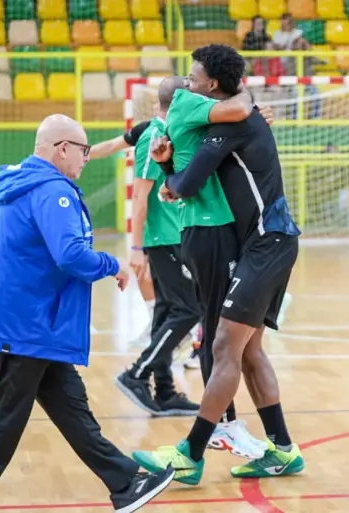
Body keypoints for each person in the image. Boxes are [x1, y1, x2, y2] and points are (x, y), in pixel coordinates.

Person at [0, 114, 174, 513]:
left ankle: (124, 483)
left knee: (72, 408)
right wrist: (113, 265)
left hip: (32, 322)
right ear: (62, 149)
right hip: (27, 325)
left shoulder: (20, 182)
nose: (87, 158)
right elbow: (70, 254)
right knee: (3, 420)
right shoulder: (52, 191)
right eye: (83, 150)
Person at [132, 44, 305, 484]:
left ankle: (191, 453)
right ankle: (282, 450)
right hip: (267, 244)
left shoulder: (231, 126)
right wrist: (171, 168)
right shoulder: (236, 118)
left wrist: (167, 172)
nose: (189, 84)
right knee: (247, 351)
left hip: (268, 242)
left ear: (211, 84)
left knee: (225, 345)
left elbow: (187, 184)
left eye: (193, 78)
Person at [115, 76, 203, 417]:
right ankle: (136, 373)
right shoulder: (155, 135)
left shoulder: (172, 135)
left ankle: (165, 391)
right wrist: (137, 248)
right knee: (189, 309)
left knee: (167, 312)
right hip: (164, 239)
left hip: (172, 237)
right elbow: (139, 194)